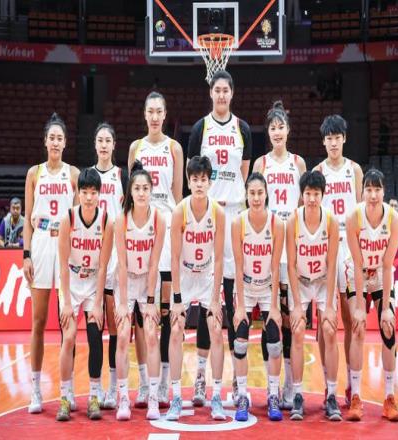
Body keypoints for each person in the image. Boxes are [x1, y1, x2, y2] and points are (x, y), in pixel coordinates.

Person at [187, 70, 252, 404]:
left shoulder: (243, 129)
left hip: (236, 216)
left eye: (226, 90)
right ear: (211, 93)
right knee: (205, 300)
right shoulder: (201, 128)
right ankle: (200, 377)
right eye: (218, 90)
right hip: (209, 217)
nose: (222, 95)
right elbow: (193, 175)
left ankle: (238, 381)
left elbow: (244, 174)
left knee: (235, 297)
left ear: (232, 93)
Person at [128, 91, 183, 408]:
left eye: (159, 111)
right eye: (150, 111)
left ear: (165, 114)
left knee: (163, 309)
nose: (154, 116)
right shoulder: (135, 147)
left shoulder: (174, 148)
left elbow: (177, 196)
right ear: (144, 113)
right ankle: (143, 382)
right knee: (140, 310)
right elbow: (131, 193)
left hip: (166, 226)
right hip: (141, 229)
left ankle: (163, 381)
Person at [23, 113, 79, 414]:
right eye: (51, 138)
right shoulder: (34, 174)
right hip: (42, 243)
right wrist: (26, 254)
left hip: (65, 244)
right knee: (38, 321)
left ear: (65, 143)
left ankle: (67, 390)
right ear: (45, 142)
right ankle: (35, 390)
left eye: (60, 138)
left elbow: (80, 217)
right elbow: (27, 220)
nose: (55, 142)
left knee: (66, 322)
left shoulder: (73, 174)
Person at [252, 101, 306, 408]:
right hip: (267, 244)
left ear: (288, 130)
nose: (277, 132)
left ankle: (288, 384)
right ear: (268, 131)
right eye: (272, 128)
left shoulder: (298, 163)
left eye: (281, 127)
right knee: (267, 316)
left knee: (288, 318)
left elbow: (305, 205)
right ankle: (270, 383)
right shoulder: (261, 164)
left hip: (292, 246)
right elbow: (253, 206)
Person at [165, 156, 226, 421]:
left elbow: (220, 258)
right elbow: (174, 257)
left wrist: (215, 299)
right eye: (195, 179)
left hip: (207, 275)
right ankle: (177, 397)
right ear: (188, 182)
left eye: (204, 179)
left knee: (216, 329)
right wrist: (178, 299)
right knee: (176, 328)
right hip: (185, 274)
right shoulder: (179, 211)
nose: (199, 184)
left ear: (210, 182)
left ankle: (216, 396)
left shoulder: (218, 212)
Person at [55, 168, 113, 421]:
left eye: (93, 192)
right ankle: (65, 396)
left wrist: (98, 303)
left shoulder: (106, 221)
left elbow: (103, 267)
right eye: (85, 192)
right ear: (78, 193)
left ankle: (93, 395)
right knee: (68, 338)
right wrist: (67, 302)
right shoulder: (68, 218)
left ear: (100, 194)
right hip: (70, 283)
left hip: (92, 285)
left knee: (94, 337)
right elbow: (62, 264)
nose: (89, 197)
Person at [345, 168, 398, 422]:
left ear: (384, 192)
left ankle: (389, 397)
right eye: (368, 189)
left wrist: (387, 308)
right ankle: (356, 396)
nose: (373, 194)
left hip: (380, 273)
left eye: (377, 189)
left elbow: (388, 265)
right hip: (357, 273)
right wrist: (359, 306)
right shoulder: (353, 217)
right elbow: (357, 264)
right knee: (357, 328)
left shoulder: (394, 219)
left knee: (389, 328)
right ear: (362, 192)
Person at [313, 114, 363, 405]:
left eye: (337, 137)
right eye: (328, 138)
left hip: (350, 246)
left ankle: (353, 387)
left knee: (350, 318)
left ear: (344, 138)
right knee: (325, 320)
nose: (333, 143)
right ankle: (327, 383)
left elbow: (360, 214)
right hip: (326, 246)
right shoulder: (318, 171)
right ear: (323, 141)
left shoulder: (354, 170)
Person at [286, 171, 341, 421]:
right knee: (298, 329)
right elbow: (290, 265)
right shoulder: (293, 220)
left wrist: (329, 305)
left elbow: (332, 264)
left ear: (322, 195)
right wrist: (297, 305)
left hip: (322, 281)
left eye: (316, 194)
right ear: (302, 195)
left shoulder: (331, 221)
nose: (311, 199)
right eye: (307, 194)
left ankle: (332, 395)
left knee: (329, 329)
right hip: (300, 280)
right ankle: (298, 394)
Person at [113, 161, 166, 420]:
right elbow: (122, 264)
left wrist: (152, 301)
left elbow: (154, 263)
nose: (142, 192)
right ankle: (123, 398)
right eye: (137, 188)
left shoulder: (158, 219)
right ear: (131, 192)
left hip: (148, 280)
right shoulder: (121, 220)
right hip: (126, 280)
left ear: (151, 190)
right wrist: (123, 303)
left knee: (152, 335)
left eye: (146, 188)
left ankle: (153, 396)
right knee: (123, 335)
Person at [232, 173, 285, 422]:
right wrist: (240, 306)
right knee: (240, 342)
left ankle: (273, 393)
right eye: (251, 193)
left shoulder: (277, 224)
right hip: (245, 286)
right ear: (246, 195)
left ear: (266, 194)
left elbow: (275, 267)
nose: (255, 198)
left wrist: (274, 306)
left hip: (266, 288)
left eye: (259, 193)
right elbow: (238, 265)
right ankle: (242, 394)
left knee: (274, 343)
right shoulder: (238, 222)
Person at [92, 122, 128, 409]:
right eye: (100, 140)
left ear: (114, 145)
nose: (104, 145)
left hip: (116, 256)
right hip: (91, 254)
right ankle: (96, 387)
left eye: (108, 141)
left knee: (115, 326)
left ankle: (115, 387)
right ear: (95, 145)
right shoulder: (88, 177)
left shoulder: (121, 176)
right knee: (96, 325)